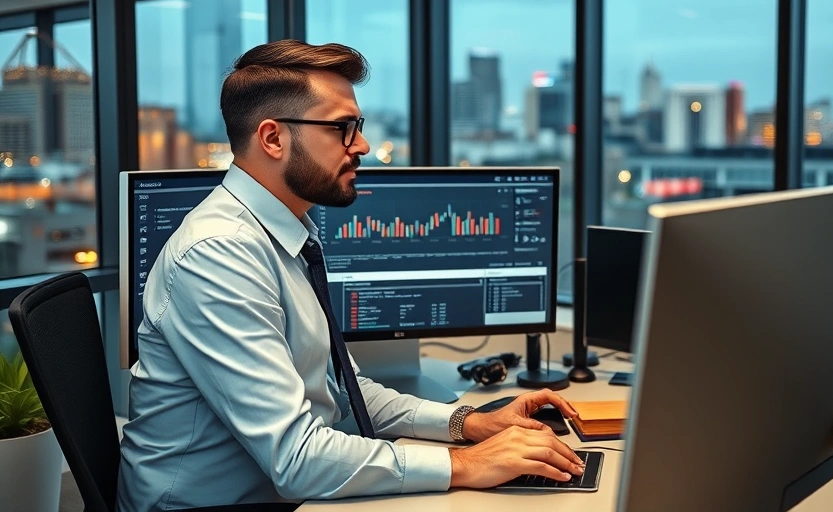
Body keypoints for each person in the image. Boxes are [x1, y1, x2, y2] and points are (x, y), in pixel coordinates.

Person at [117, 39, 585, 511]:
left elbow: (347, 394)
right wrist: (466, 464)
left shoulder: (288, 234)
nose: (361, 145)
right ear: (273, 139)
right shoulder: (218, 254)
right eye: (342, 128)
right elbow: (297, 459)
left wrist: (468, 423)